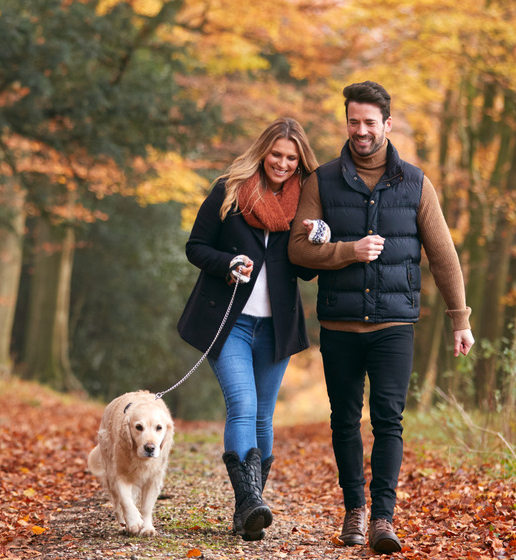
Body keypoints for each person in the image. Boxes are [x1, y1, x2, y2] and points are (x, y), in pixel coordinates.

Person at [287, 81, 474, 554]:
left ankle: (383, 519)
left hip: (394, 325)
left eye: (371, 122)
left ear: (387, 125)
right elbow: (297, 250)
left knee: (389, 420)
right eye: (354, 121)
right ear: (346, 122)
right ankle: (355, 510)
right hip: (339, 325)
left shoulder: (415, 183)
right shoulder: (322, 181)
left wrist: (460, 319)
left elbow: (443, 255)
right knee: (345, 420)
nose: (362, 130)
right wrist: (348, 251)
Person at [177, 117, 319, 541]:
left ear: (299, 161)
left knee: (263, 415)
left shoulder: (306, 204)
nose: (283, 163)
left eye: (291, 158)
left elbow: (307, 274)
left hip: (276, 328)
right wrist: (228, 264)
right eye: (276, 154)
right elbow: (195, 247)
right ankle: (250, 503)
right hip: (230, 322)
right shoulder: (230, 190)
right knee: (242, 404)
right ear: (263, 151)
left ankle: (248, 509)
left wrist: (315, 240)